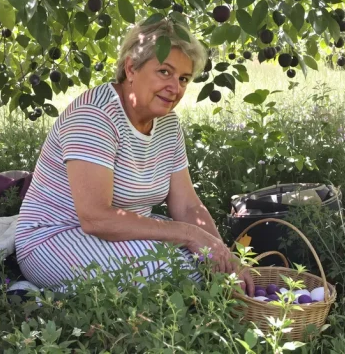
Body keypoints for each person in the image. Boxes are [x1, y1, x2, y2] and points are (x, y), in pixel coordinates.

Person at [14, 19, 255, 296]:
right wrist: (190, 236)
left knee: (202, 262)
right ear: (131, 68)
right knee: (170, 269)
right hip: (55, 238)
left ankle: (63, 294)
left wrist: (220, 251)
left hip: (127, 234)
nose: (175, 88)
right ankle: (41, 295)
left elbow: (187, 206)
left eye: (183, 79)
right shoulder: (95, 115)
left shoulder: (168, 124)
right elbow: (96, 218)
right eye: (164, 72)